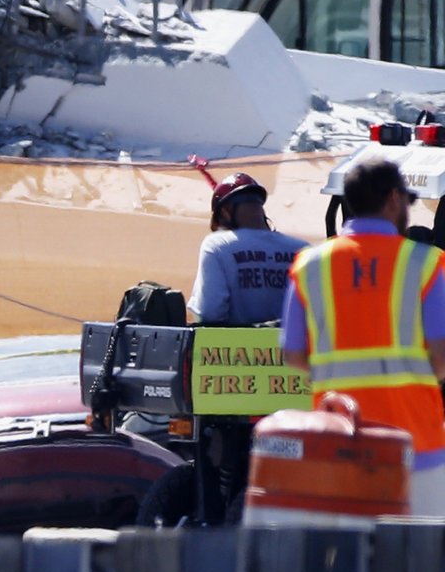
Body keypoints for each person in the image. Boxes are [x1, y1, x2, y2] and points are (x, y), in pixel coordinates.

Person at [282, 157, 445, 515]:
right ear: (392, 200)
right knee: (424, 559)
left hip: (338, 442)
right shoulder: (426, 263)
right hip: (416, 441)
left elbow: (293, 354)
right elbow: (442, 357)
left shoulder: (308, 265)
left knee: (344, 561)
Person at [187, 172, 308, 325]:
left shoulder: (217, 245)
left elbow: (210, 312)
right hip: (295, 346)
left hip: (234, 347)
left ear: (224, 213)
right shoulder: (303, 249)